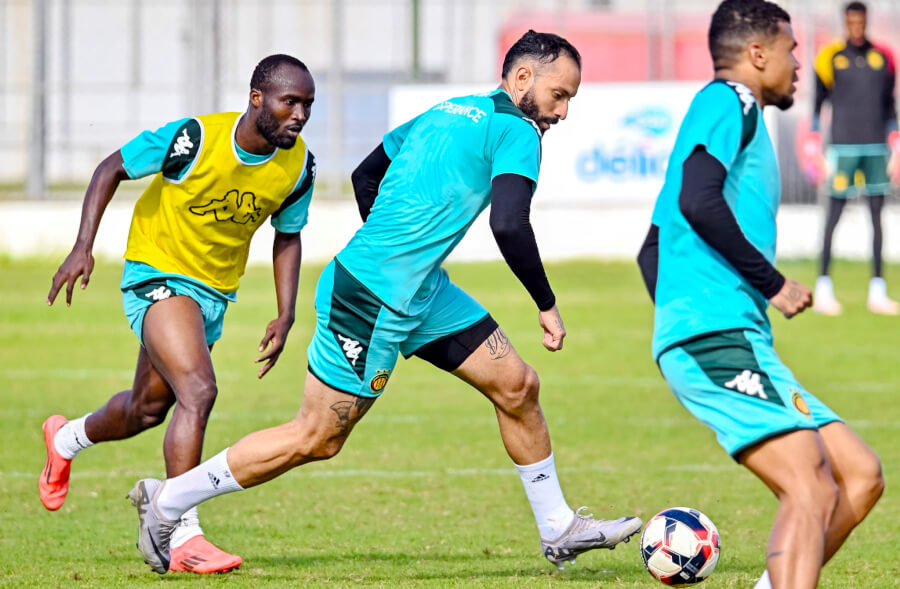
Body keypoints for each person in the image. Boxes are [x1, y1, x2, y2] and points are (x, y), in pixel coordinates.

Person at [127, 30, 642, 575]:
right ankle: (168, 500)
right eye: (560, 95)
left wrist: (399, 247)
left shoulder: (449, 109)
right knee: (316, 437)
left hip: (419, 289)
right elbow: (509, 223)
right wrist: (545, 303)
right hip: (371, 298)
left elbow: (365, 174)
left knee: (517, 385)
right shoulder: (519, 131)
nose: (562, 112)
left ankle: (557, 526)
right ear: (521, 79)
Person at [637, 2, 884, 588]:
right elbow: (699, 202)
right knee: (810, 484)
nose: (800, 62)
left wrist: (680, 321)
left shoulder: (728, 120)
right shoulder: (729, 102)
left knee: (859, 474)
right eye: (791, 48)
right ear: (756, 54)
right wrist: (765, 287)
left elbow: (652, 247)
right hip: (717, 338)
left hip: (729, 337)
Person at [40, 54, 317, 574]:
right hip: (158, 273)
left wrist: (287, 313)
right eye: (289, 102)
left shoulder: (298, 165)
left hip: (212, 294)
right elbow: (112, 167)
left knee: (146, 410)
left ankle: (64, 438)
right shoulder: (195, 138)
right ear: (258, 98)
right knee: (199, 390)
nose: (299, 115)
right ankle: (180, 530)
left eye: (307, 105)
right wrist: (83, 246)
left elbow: (288, 234)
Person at [804, 1, 899, 315]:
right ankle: (824, 286)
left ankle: (877, 290)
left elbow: (890, 107)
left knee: (877, 218)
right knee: (833, 216)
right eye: (851, 21)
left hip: (875, 148)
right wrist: (815, 143)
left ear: (866, 21)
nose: (856, 26)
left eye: (861, 21)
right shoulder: (830, 57)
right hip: (842, 148)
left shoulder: (884, 57)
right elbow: (818, 104)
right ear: (846, 22)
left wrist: (895, 144)